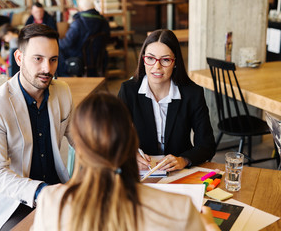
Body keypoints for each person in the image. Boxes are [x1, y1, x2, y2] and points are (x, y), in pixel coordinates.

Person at [31, 92, 219, 231]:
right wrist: (209, 226)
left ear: (78, 148)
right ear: (132, 142)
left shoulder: (51, 202)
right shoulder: (180, 208)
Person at [0, 23, 73, 231]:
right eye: (38, 59)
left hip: (57, 192)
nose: (47, 68)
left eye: (53, 59)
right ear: (19, 58)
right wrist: (40, 192)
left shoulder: (62, 91)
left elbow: (83, 139)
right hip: (12, 203)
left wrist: (121, 155)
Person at [118, 29, 216, 172]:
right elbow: (114, 137)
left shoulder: (192, 93)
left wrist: (184, 160)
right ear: (143, 59)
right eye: (150, 58)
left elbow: (207, 145)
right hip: (142, 171)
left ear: (175, 62)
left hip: (179, 172)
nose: (156, 67)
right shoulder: (128, 91)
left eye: (165, 60)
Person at [58, 0, 110, 77]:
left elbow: (67, 43)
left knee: (58, 49)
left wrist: (55, 41)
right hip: (99, 58)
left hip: (81, 59)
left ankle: (65, 79)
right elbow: (107, 40)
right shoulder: (104, 21)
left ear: (81, 8)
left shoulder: (78, 23)